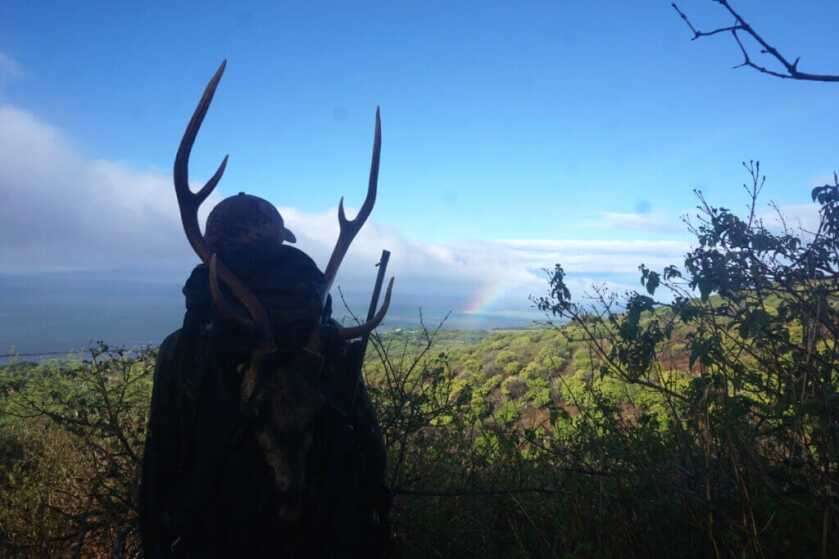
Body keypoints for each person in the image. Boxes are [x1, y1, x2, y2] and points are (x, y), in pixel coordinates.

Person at [138, 193, 390, 558]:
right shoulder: (325, 338)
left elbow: (160, 462)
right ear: (278, 241)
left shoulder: (183, 348)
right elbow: (369, 448)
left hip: (218, 540)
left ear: (213, 248)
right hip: (324, 538)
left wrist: (157, 541)